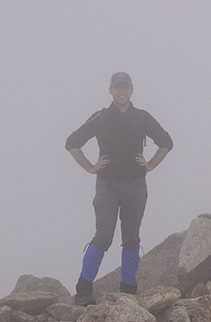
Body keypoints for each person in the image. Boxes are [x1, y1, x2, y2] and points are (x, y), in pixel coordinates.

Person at [65, 71, 172, 303]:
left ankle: (128, 291)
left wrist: (150, 165)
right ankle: (83, 291)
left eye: (125, 87)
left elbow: (166, 142)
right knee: (103, 237)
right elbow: (72, 142)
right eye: (117, 87)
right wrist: (90, 167)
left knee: (131, 238)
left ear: (131, 90)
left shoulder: (142, 117)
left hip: (135, 186)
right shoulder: (100, 117)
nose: (121, 91)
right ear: (110, 90)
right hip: (107, 186)